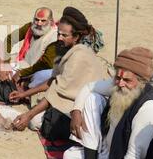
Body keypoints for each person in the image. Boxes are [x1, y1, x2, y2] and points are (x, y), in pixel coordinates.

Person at [63, 47, 153, 159]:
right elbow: (88, 87)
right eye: (118, 78)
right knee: (69, 156)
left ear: (141, 82)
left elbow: (134, 155)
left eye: (127, 80)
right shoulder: (119, 85)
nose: (120, 84)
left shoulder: (149, 108)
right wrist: (76, 111)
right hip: (109, 152)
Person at [11, 7, 109, 138]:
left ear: (76, 37)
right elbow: (54, 81)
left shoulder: (79, 55)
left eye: (64, 35)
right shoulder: (63, 48)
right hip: (69, 97)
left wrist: (27, 115)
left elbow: (58, 89)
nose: (59, 38)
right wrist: (23, 94)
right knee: (38, 118)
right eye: (58, 34)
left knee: (35, 121)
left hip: (85, 105)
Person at [0, 7, 57, 90]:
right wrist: (6, 63)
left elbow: (46, 65)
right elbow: (9, 39)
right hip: (22, 62)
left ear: (51, 22)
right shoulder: (30, 27)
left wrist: (21, 73)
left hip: (37, 71)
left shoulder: (54, 37)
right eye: (36, 19)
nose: (39, 23)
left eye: (43, 21)